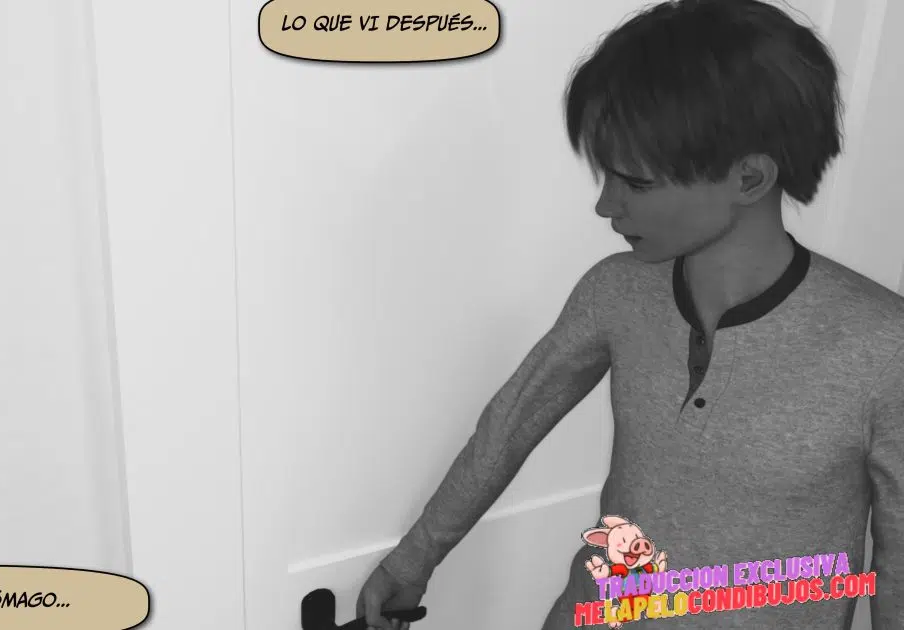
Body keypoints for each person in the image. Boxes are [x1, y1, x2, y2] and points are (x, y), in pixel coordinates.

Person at [354, 0, 904, 628]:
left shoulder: (884, 348)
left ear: (750, 177)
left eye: (636, 184)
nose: (605, 205)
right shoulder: (615, 292)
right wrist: (414, 558)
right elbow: (508, 428)